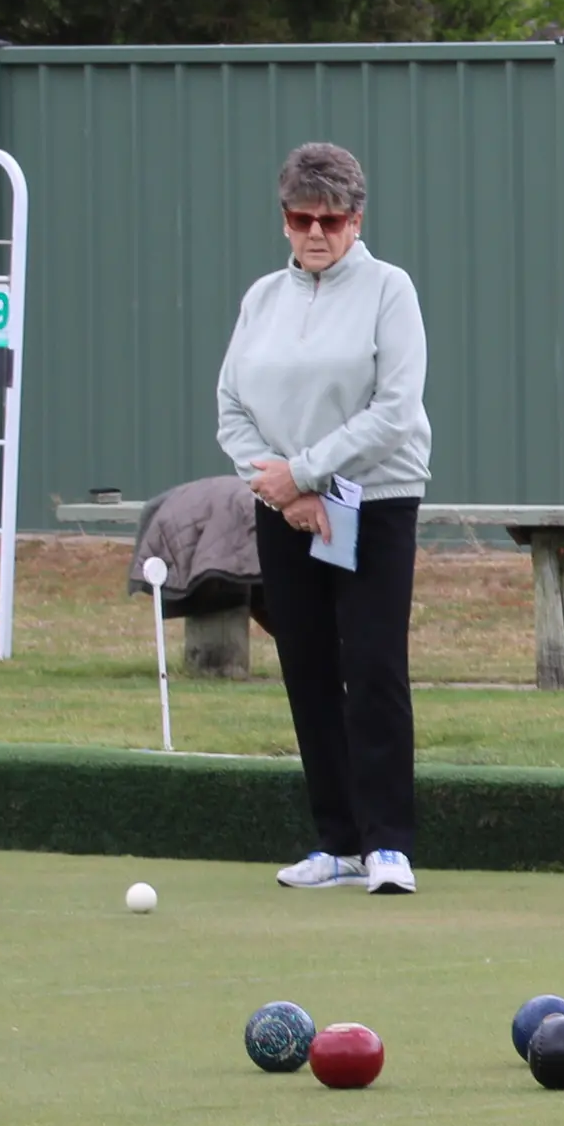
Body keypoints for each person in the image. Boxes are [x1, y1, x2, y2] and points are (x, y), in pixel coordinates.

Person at [216, 141, 431, 897]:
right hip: (284, 504)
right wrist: (283, 487)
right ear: (284, 218)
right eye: (302, 218)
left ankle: (388, 844)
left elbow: (395, 410)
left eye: (331, 220)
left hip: (373, 499)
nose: (316, 232)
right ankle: (338, 842)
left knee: (372, 666)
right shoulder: (261, 298)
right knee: (306, 667)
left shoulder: (389, 289)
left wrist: (306, 472)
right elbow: (231, 408)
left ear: (355, 219)